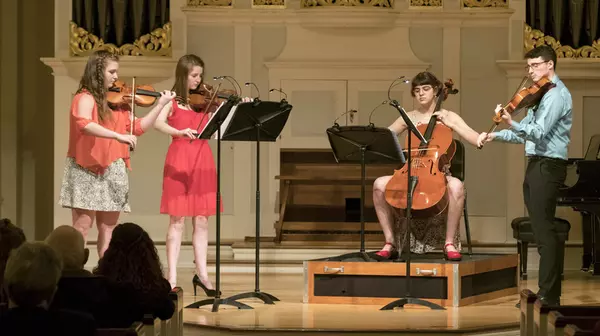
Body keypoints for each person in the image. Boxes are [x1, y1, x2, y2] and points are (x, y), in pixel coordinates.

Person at [59, 50, 176, 258]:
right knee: (82, 228)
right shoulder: (84, 97)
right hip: (85, 168)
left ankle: (106, 276)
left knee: (109, 230)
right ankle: (74, 276)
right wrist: (117, 136)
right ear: (97, 72)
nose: (116, 77)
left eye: (116, 72)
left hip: (113, 169)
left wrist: (160, 105)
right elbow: (85, 124)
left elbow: (138, 127)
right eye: (111, 71)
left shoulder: (118, 103)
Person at [478, 45, 571, 306]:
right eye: (529, 66)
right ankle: (546, 293)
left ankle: (549, 296)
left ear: (549, 65)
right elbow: (525, 133)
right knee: (542, 231)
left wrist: (510, 121)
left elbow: (539, 132)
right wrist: (496, 135)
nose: (530, 71)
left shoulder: (556, 96)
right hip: (536, 163)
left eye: (535, 66)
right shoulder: (540, 95)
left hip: (549, 165)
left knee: (545, 231)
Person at [154, 54, 251, 293]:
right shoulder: (172, 100)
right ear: (183, 75)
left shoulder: (206, 102)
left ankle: (203, 274)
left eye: (200, 75)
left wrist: (240, 105)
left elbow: (223, 123)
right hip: (179, 159)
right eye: (194, 75)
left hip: (202, 159)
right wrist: (179, 131)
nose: (199, 80)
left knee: (202, 220)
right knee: (177, 220)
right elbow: (157, 123)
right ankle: (172, 277)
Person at [373, 71, 480, 262]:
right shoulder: (408, 117)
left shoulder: (447, 116)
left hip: (437, 172)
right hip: (410, 171)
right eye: (417, 90)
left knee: (456, 185)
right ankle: (390, 242)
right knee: (379, 184)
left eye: (425, 89)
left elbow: (472, 136)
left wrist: (483, 137)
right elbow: (384, 138)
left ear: (436, 90)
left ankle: (449, 243)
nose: (421, 93)